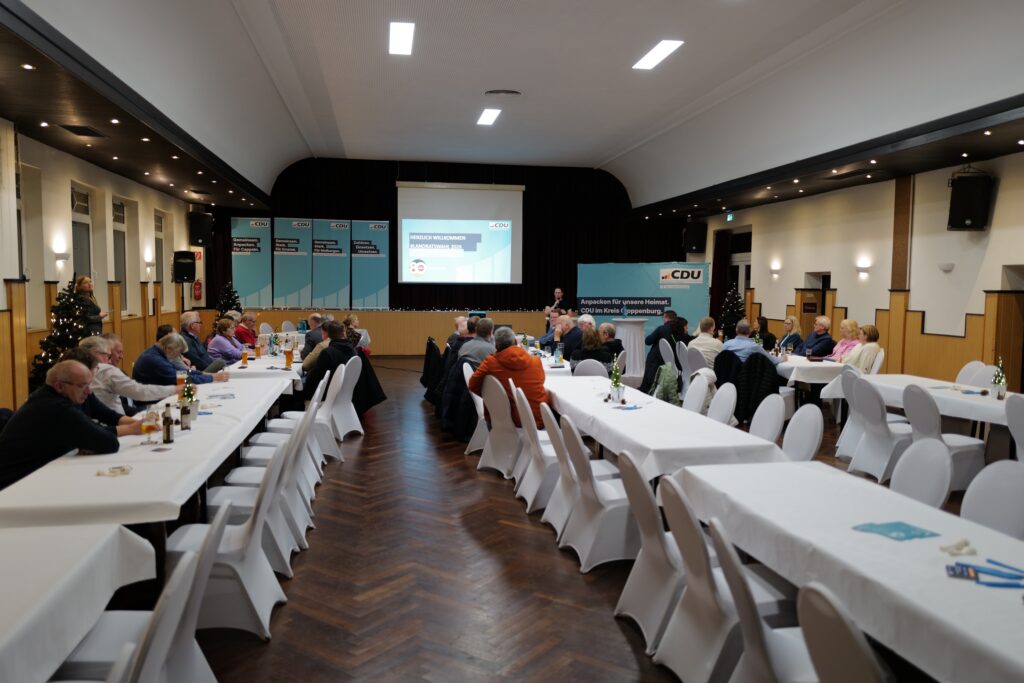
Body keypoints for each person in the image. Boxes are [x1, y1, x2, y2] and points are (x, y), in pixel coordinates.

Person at [0, 360, 122, 489]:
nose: (89, 391)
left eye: (89, 385)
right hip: (12, 487)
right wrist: (86, 442)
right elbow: (110, 443)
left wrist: (85, 441)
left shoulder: (46, 398)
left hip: (28, 477)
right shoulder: (56, 408)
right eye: (82, 386)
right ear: (59, 386)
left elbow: (95, 433)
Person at [468, 327, 549, 428]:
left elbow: (472, 385)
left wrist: (493, 397)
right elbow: (541, 381)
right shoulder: (536, 361)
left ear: (496, 346)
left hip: (505, 421)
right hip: (538, 420)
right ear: (515, 342)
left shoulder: (490, 363)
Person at [82, 334, 177, 415]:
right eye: (107, 356)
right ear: (93, 353)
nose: (109, 360)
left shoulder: (96, 371)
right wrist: (175, 389)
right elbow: (139, 392)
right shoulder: (106, 371)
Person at [133, 332, 226, 388]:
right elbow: (180, 377)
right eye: (178, 352)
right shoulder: (156, 360)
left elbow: (180, 371)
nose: (179, 356)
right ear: (168, 349)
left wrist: (202, 373)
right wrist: (212, 378)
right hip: (151, 401)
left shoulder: (157, 353)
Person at [304, 320, 356, 401]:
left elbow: (315, 378)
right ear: (344, 333)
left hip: (327, 394)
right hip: (348, 392)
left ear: (328, 335)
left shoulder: (327, 352)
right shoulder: (353, 350)